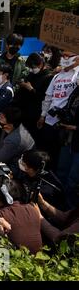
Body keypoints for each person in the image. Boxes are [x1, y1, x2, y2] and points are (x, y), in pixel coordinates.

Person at [37, 51, 79, 166]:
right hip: (50, 120)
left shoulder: (77, 74)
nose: (65, 58)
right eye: (63, 55)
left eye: (68, 55)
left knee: (61, 156)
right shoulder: (57, 76)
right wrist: (42, 115)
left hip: (66, 123)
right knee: (47, 151)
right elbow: (48, 97)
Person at [0, 106, 35, 177]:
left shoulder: (13, 140)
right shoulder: (16, 127)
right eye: (0, 115)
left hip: (17, 171)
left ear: (10, 125)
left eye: (2, 118)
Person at [14, 53, 54, 142]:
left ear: (40, 65)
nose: (32, 70)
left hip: (36, 114)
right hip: (25, 113)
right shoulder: (31, 75)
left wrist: (31, 89)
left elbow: (44, 98)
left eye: (33, 67)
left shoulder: (48, 77)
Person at [56, 80, 79, 209]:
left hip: (77, 143)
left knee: (72, 180)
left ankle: (70, 211)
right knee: (62, 173)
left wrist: (74, 127)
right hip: (68, 139)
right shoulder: (76, 91)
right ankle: (60, 205)